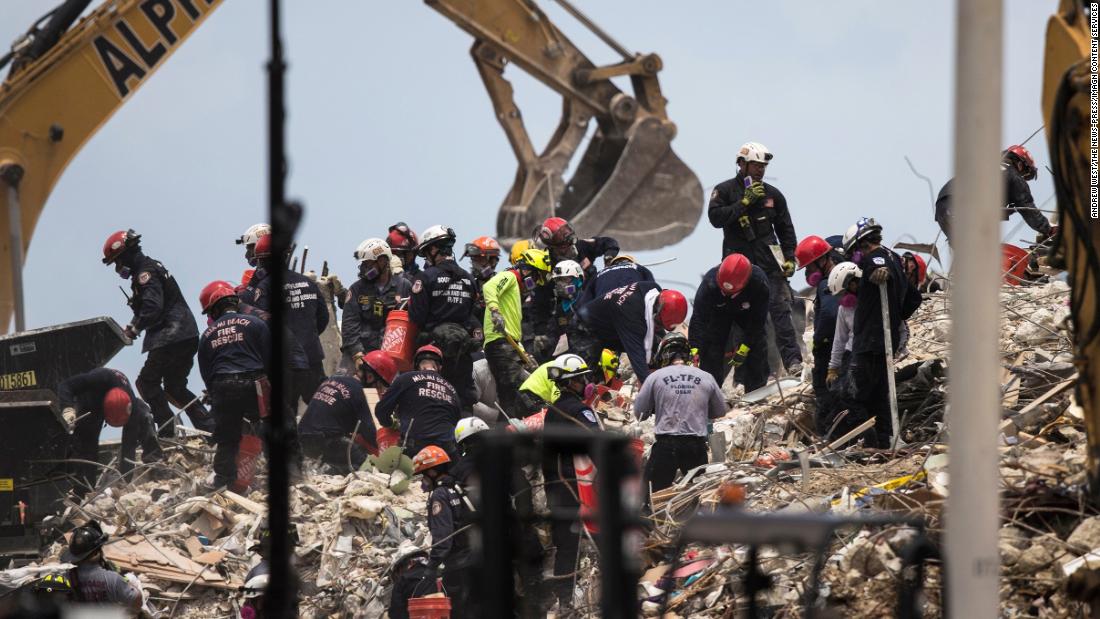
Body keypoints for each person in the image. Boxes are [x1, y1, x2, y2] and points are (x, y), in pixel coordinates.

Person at [102, 229, 213, 437]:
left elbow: (153, 307)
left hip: (170, 336)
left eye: (117, 262)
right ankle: (210, 428)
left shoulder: (145, 273)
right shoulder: (153, 266)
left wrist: (133, 328)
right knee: (175, 387)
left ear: (126, 254)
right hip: (187, 334)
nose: (118, 269)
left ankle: (167, 433)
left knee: (146, 382)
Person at [706, 141, 803, 375]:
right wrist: (744, 202)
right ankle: (744, 374)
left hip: (770, 265)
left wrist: (790, 258)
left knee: (780, 312)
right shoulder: (725, 190)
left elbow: (786, 229)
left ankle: (793, 362)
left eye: (763, 166)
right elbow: (715, 218)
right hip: (739, 269)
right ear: (742, 164)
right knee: (741, 319)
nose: (760, 170)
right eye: (755, 165)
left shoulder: (773, 195)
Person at [196, 280, 272, 491]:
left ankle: (224, 482)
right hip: (254, 381)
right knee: (265, 425)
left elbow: (206, 371)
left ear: (215, 309)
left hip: (223, 386)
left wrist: (215, 394)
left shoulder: (207, 335)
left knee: (227, 437)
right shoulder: (256, 324)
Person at [240, 234, 329, 411]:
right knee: (323, 407)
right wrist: (307, 336)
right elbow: (323, 317)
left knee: (286, 413)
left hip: (285, 363)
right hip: (312, 358)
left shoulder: (265, 287)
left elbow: (259, 323)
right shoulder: (307, 282)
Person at [540, 354, 600, 607]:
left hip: (554, 486)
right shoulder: (579, 411)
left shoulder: (552, 412)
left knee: (565, 542)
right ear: (573, 383)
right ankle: (573, 596)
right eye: (582, 378)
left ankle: (565, 595)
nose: (586, 382)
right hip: (574, 487)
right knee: (581, 541)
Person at [634, 333, 726, 496]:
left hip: (666, 446)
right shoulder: (706, 377)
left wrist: (658, 405)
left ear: (663, 354)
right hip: (696, 447)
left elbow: (640, 412)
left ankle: (654, 521)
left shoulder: (654, 377)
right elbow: (720, 411)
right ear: (687, 354)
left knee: (650, 498)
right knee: (700, 497)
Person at [843, 219, 908, 447]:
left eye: (854, 253)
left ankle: (868, 445)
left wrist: (874, 271)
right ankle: (884, 442)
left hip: (869, 340)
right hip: (885, 339)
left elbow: (876, 268)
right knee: (880, 396)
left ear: (860, 246)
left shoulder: (874, 259)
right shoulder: (896, 258)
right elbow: (912, 298)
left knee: (852, 395)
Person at [409, 225, 478, 407]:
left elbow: (416, 317)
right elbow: (471, 316)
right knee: (462, 401)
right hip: (461, 354)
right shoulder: (469, 280)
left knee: (431, 400)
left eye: (426, 253)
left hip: (432, 354)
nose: (426, 258)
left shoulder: (424, 278)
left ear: (433, 249)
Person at [58, 368, 161, 491]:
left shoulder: (132, 408)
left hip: (121, 403)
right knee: (86, 449)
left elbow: (129, 448)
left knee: (144, 415)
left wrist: (123, 483)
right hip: (90, 400)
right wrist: (67, 408)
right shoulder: (97, 379)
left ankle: (155, 464)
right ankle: (84, 491)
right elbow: (65, 386)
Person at [298, 351, 397, 473]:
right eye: (380, 386)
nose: (379, 391)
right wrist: (393, 450)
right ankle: (326, 470)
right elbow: (371, 433)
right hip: (324, 441)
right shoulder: (361, 392)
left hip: (302, 438)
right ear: (371, 377)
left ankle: (317, 464)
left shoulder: (334, 379)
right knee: (366, 465)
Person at [482, 248, 552, 417]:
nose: (535, 283)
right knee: (515, 392)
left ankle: (509, 428)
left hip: (508, 344)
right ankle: (513, 429)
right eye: (536, 277)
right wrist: (495, 311)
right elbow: (489, 287)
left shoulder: (515, 291)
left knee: (511, 394)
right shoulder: (510, 276)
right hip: (500, 343)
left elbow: (512, 332)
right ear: (527, 269)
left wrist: (523, 354)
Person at [934, 145, 1053, 244]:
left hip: (943, 208)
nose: (1023, 179)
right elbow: (1027, 208)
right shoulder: (1013, 175)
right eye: (1024, 175)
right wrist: (1047, 229)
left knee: (970, 258)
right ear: (1020, 165)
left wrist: (1006, 210)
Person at [688, 253, 770, 393]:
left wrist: (745, 347)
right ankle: (710, 393)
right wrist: (694, 348)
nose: (725, 292)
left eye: (728, 291)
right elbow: (698, 319)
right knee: (711, 347)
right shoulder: (710, 283)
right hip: (720, 312)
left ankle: (756, 391)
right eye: (723, 290)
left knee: (757, 345)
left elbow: (757, 322)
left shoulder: (759, 283)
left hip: (747, 312)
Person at [413, 445, 478, 619]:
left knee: (459, 610)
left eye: (424, 475)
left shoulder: (440, 495)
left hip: (459, 564)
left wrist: (432, 566)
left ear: (432, 472)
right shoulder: (458, 487)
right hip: (478, 556)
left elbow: (443, 536)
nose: (423, 481)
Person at [577, 281, 687, 384]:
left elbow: (660, 340)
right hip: (584, 329)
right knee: (583, 376)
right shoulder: (632, 316)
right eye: (658, 325)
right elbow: (636, 355)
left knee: (657, 347)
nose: (658, 328)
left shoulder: (653, 290)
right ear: (656, 313)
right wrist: (650, 388)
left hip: (612, 325)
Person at [376, 345, 462, 459]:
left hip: (417, 450)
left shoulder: (406, 379)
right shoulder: (451, 389)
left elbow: (381, 411)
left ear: (416, 365)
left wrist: (390, 424)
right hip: (447, 452)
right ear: (439, 366)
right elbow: (458, 422)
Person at [795, 235, 845, 429]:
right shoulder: (842, 279)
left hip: (831, 351)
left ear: (822, 260)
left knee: (828, 401)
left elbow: (831, 316)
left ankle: (833, 439)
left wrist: (819, 341)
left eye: (810, 267)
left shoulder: (828, 284)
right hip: (841, 348)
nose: (808, 273)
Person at [340, 238, 412, 366]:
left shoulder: (404, 286)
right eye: (363, 264)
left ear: (383, 261)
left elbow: (412, 322)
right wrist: (357, 355)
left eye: (368, 264)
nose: (364, 269)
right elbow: (349, 325)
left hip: (392, 356)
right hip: (361, 354)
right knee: (343, 383)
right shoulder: (356, 289)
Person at [60, 521, 143, 612]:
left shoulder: (65, 578)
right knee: (132, 579)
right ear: (96, 553)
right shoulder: (113, 579)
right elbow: (137, 601)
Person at [825, 262, 862, 437]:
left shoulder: (872, 301)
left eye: (845, 292)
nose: (844, 297)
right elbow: (839, 339)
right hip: (850, 355)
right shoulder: (844, 309)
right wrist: (833, 367)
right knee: (837, 395)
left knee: (853, 396)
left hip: (867, 354)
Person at [544, 259, 598, 364]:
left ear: (578, 280)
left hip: (589, 356)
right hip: (569, 359)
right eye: (558, 280)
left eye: (565, 279)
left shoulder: (588, 302)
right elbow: (553, 333)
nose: (560, 285)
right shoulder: (560, 308)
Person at [537, 217, 619, 277]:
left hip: (593, 295)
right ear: (552, 240)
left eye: (566, 229)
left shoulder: (581, 246)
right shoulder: (546, 262)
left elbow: (608, 242)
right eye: (560, 233)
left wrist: (609, 257)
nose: (567, 234)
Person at [461, 235, 502, 341]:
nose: (475, 264)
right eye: (473, 259)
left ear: (492, 261)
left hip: (497, 337)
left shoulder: (501, 283)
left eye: (479, 259)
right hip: (473, 339)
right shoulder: (467, 283)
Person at [575, 254, 656, 309]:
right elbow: (652, 288)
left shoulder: (599, 274)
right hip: (632, 307)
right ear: (631, 262)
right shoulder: (637, 267)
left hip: (603, 310)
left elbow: (584, 302)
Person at [387, 222, 421, 289]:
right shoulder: (381, 280)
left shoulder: (423, 279)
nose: (397, 258)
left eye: (400, 253)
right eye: (394, 253)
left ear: (414, 253)